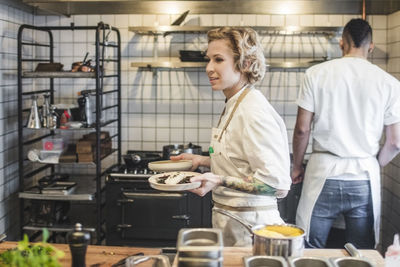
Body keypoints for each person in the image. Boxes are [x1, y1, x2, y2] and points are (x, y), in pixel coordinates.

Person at [172, 27, 291, 247]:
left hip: (252, 231)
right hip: (234, 224)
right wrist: (203, 161)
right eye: (208, 60)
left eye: (218, 60)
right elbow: (241, 160)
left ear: (245, 63)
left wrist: (217, 179)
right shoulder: (236, 101)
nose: (209, 68)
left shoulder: (253, 111)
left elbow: (277, 185)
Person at [292, 18, 400, 249]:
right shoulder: (389, 83)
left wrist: (297, 167)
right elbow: (394, 143)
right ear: (370, 46)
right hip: (363, 175)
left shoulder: (316, 74)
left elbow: (302, 129)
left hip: (322, 172)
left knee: (310, 247)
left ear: (342, 43)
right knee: (360, 252)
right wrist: (371, 163)